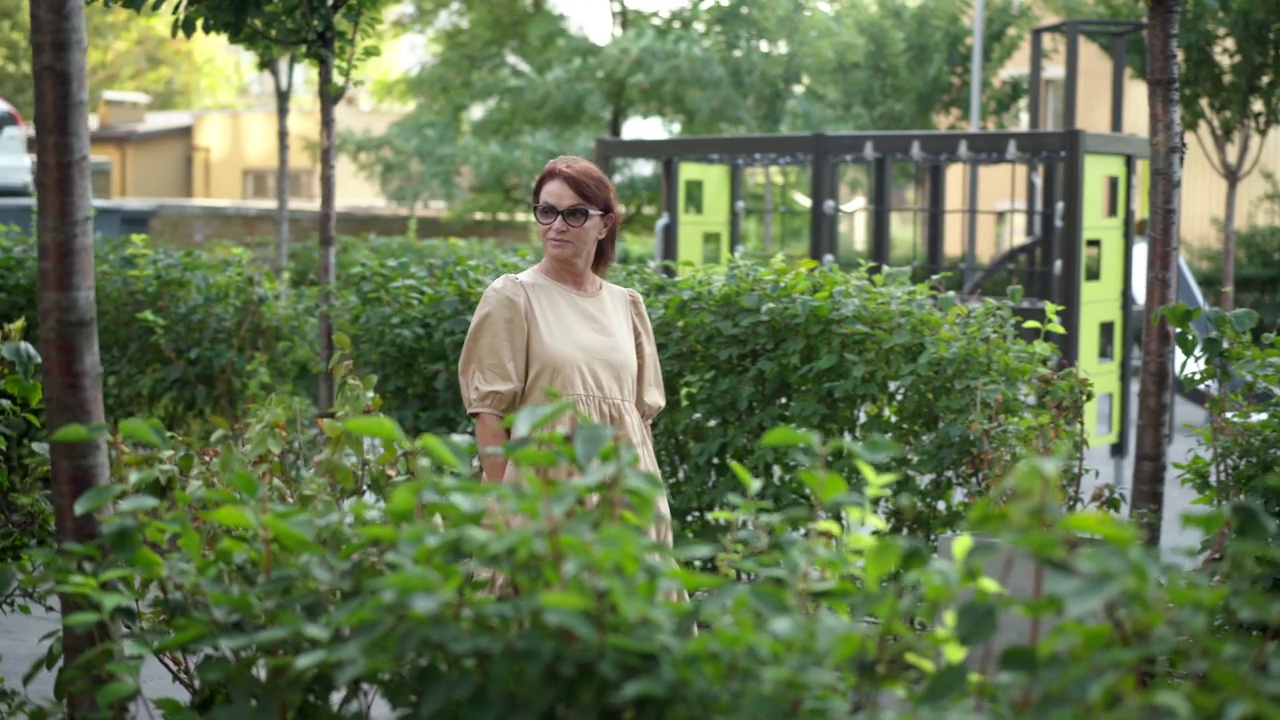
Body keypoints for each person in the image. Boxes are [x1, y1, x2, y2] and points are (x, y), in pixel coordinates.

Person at [457, 155, 677, 558]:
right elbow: (488, 414)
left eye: (575, 214)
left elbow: (638, 422)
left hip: (625, 504)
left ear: (605, 224)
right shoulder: (513, 296)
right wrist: (513, 511)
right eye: (546, 211)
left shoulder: (627, 306)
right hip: (542, 502)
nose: (556, 226)